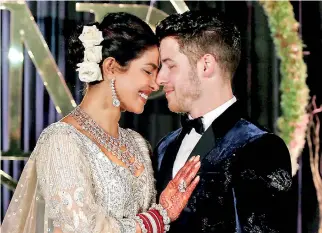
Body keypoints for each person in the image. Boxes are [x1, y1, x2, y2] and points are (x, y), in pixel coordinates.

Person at [2, 12, 201, 233]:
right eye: (148, 71)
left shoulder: (138, 144)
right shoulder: (61, 141)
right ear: (111, 67)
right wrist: (158, 217)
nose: (156, 85)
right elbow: (80, 228)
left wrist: (167, 210)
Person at [154, 9, 293, 233]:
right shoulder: (164, 147)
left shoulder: (260, 147)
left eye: (170, 65)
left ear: (206, 65)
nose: (160, 78)